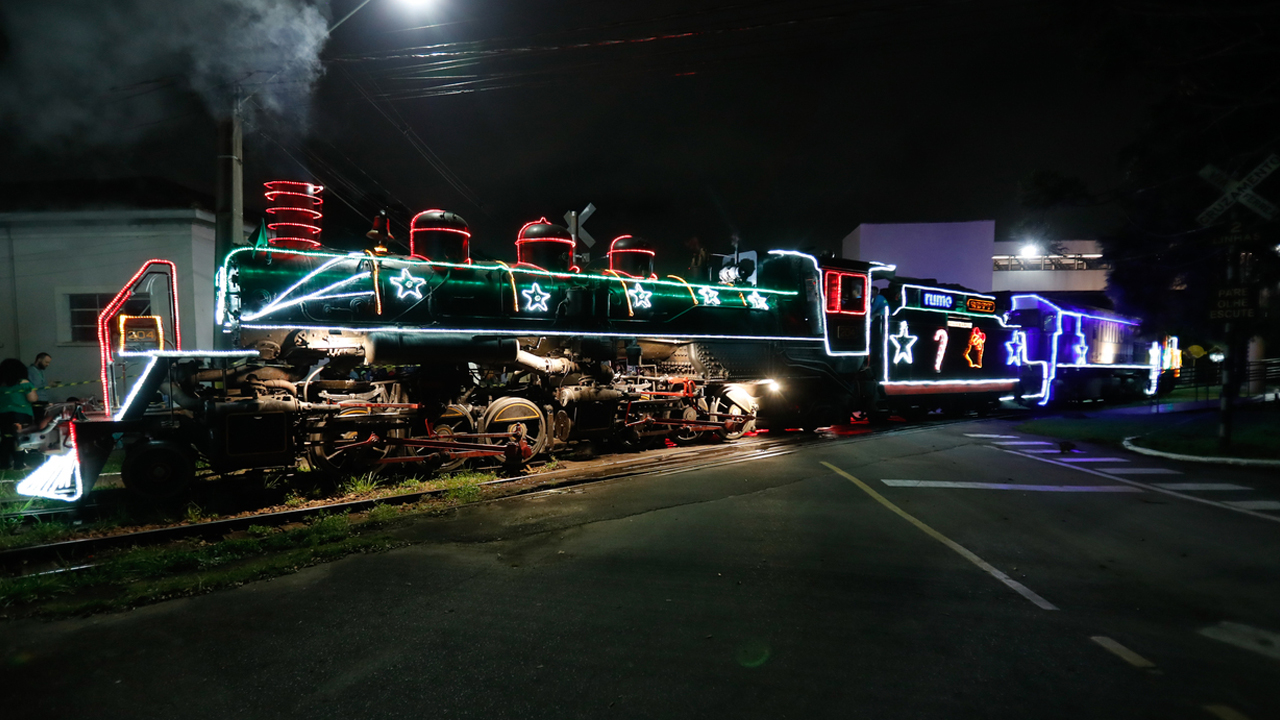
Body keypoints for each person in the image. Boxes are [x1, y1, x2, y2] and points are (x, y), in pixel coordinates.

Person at [1, 357, 38, 470]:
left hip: (3, 415)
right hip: (22, 414)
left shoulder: (1, 384)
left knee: (6, 438)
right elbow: (33, 398)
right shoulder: (24, 383)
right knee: (19, 439)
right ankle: (19, 464)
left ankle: (4, 464)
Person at [28, 352, 53, 425]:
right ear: (39, 360)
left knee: (45, 421)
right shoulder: (30, 370)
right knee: (40, 423)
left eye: (48, 363)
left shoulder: (41, 371)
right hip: (37, 400)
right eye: (46, 362)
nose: (47, 364)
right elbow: (35, 385)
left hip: (44, 400)